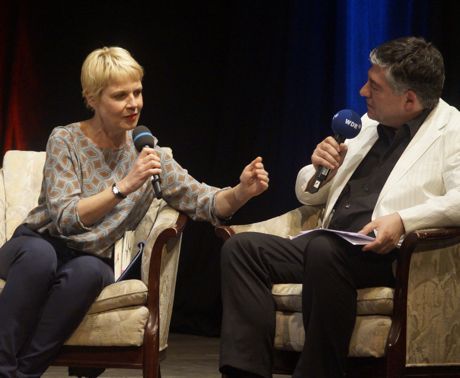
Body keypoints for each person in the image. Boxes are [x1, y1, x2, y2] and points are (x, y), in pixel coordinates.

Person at [0, 46, 269, 377]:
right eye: (120, 95)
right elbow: (65, 218)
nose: (133, 103)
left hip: (91, 257)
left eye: (137, 92)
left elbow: (204, 201)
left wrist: (242, 191)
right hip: (39, 242)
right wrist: (123, 186)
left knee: (89, 274)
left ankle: (19, 374)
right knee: (40, 261)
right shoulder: (66, 139)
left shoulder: (147, 151)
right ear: (92, 99)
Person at [219, 36, 460, 378]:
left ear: (408, 99)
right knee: (241, 249)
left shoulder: (452, 132)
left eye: (374, 86)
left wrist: (403, 221)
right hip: (329, 242)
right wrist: (322, 169)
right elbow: (309, 194)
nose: (363, 92)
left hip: (388, 252)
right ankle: (246, 372)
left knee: (323, 249)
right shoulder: (368, 124)